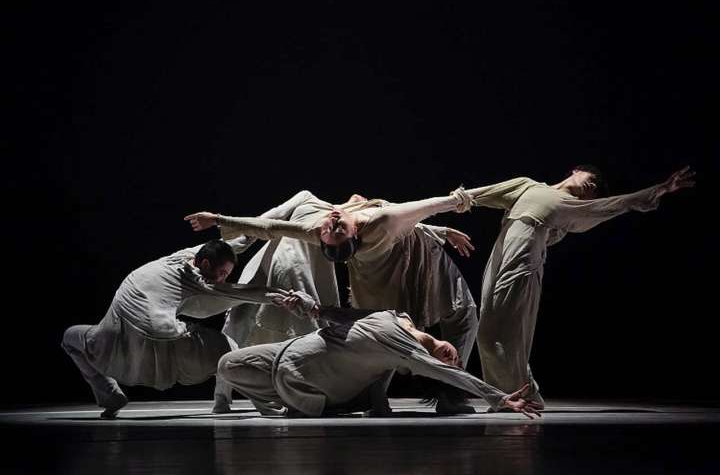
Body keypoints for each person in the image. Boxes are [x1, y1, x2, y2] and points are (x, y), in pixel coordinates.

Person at [186, 191, 478, 413]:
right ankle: (238, 395)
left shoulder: (342, 223)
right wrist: (223, 241)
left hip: (315, 267)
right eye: (355, 202)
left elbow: (404, 220)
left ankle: (247, 394)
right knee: (279, 326)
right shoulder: (323, 214)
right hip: (300, 264)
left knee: (264, 324)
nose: (355, 200)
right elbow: (267, 224)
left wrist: (441, 228)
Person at [452, 165, 695, 408]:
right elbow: (485, 193)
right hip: (501, 251)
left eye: (595, 189)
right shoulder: (529, 185)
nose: (592, 186)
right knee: (488, 329)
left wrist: (662, 188)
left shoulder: (571, 206)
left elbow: (619, 203)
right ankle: (521, 393)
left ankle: (515, 395)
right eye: (592, 179)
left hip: (524, 258)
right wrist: (454, 200)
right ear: (576, 170)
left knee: (504, 330)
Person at [61, 239, 310, 418]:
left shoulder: (184, 255)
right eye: (222, 273)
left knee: (71, 337)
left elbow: (241, 239)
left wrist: (259, 224)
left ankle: (109, 395)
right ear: (205, 263)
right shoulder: (199, 281)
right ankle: (250, 404)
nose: (223, 279)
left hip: (111, 337)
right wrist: (283, 297)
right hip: (161, 344)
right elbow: (247, 292)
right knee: (229, 351)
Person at [217, 297, 541, 419]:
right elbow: (351, 316)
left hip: (304, 382)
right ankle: (280, 404)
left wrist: (497, 398)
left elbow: (450, 375)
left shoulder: (408, 352)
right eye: (457, 359)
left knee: (265, 385)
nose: (452, 359)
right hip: (286, 351)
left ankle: (297, 405)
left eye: (450, 364)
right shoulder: (398, 316)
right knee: (225, 365)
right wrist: (316, 309)